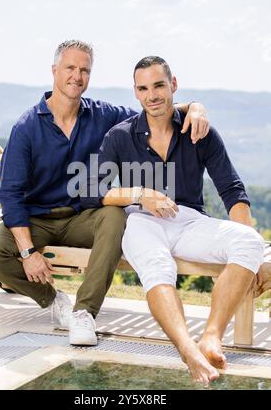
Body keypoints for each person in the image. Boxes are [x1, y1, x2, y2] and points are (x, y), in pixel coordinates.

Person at [0, 41, 210, 347]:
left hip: (82, 217)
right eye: (70, 68)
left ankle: (85, 312)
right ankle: (55, 301)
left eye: (84, 69)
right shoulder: (27, 127)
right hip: (35, 220)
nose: (77, 76)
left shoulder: (103, 116)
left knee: (114, 215)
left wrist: (194, 107)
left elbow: (152, 110)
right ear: (54, 71)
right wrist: (28, 252)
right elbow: (10, 194)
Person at [81, 56, 265, 384]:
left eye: (158, 85)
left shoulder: (199, 131)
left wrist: (254, 258)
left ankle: (210, 337)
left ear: (173, 85)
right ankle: (188, 350)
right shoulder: (120, 136)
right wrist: (140, 193)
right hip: (141, 221)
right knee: (156, 266)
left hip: (189, 220)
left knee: (249, 240)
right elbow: (92, 190)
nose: (151, 95)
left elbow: (231, 190)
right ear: (136, 93)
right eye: (143, 88)